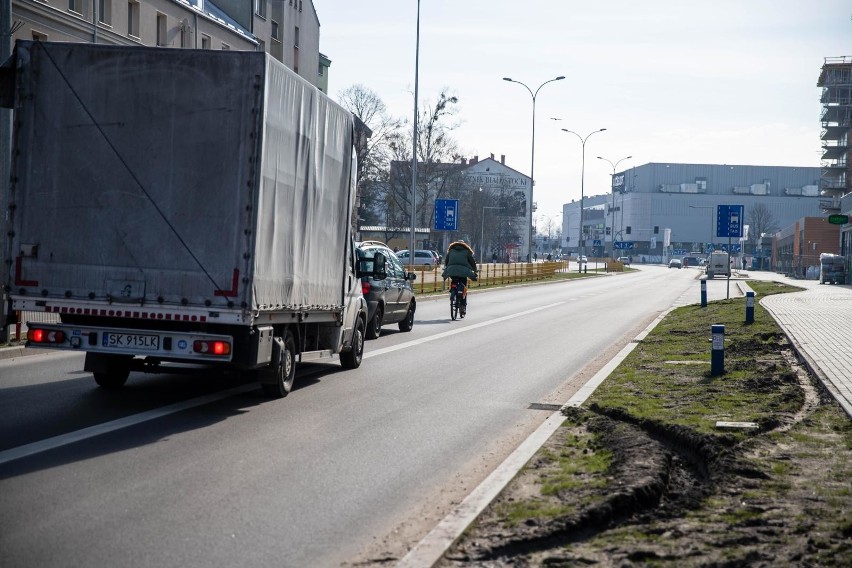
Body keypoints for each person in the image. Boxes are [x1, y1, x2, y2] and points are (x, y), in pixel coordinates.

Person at [442, 240, 478, 314]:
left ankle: (453, 289)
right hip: (463, 272)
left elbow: (446, 261)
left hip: (452, 271)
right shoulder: (466, 252)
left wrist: (447, 267)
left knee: (454, 280)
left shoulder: (451, 251)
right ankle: (462, 306)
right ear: (464, 245)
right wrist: (475, 271)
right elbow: (472, 263)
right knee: (464, 287)